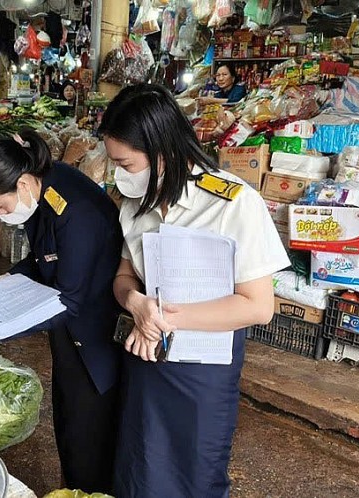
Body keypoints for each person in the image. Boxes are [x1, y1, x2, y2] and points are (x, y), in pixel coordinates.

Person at [99, 84, 290, 497]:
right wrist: (135, 302)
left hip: (203, 371)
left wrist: (164, 316)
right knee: (141, 466)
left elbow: (258, 306)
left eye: (125, 163)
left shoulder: (233, 204)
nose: (119, 174)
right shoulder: (136, 202)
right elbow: (124, 277)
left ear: (161, 150)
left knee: (195, 473)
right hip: (147, 356)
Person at [0, 130, 123, 494]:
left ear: (21, 183)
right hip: (70, 336)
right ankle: (73, 486)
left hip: (95, 339)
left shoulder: (75, 212)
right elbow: (43, 257)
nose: (0, 215)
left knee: (89, 435)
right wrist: (7, 280)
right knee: (67, 423)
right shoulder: (40, 190)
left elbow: (70, 300)